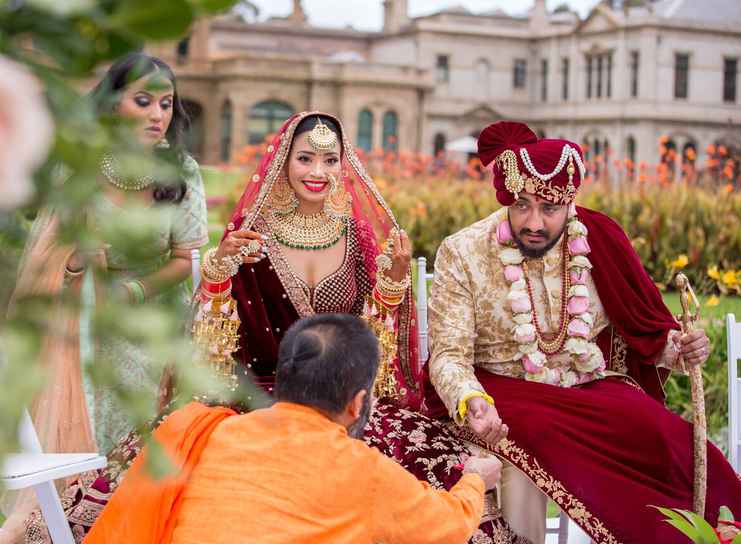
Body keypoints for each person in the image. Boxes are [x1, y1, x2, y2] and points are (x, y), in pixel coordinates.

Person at [23, 112, 527, 544]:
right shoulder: (251, 238)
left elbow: (368, 346)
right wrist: (218, 279)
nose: (319, 171)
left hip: (339, 399)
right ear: (283, 160)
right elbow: (216, 354)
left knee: (420, 456)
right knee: (170, 458)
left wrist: (392, 289)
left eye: (331, 160)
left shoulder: (357, 239)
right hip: (255, 394)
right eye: (306, 157)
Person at [425, 120, 741, 544]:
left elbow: (642, 324)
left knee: (668, 439)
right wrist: (471, 401)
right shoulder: (463, 251)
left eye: (549, 208)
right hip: (500, 393)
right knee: (534, 437)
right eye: (521, 205)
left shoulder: (598, 239)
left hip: (586, 387)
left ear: (570, 203)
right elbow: (448, 355)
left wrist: (679, 348)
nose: (533, 222)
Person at [4, 52, 208, 544]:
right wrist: (75, 262)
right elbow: (50, 256)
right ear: (114, 104)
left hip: (155, 321)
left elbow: (185, 257)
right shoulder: (81, 167)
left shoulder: (180, 170)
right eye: (144, 101)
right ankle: (72, 517)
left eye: (166, 103)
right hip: (84, 317)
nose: (159, 115)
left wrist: (130, 290)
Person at [83, 313, 503, 544]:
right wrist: (473, 481)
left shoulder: (214, 433)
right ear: (358, 403)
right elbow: (444, 528)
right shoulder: (362, 468)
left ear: (282, 380)